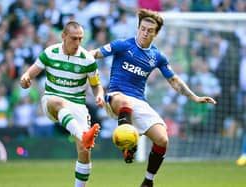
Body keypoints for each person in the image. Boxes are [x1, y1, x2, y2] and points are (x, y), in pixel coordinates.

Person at [90, 9, 216, 187]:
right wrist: (81, 59)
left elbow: (173, 79)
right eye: (143, 28)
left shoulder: (157, 56)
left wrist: (194, 97)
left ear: (156, 34)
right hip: (117, 96)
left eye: (150, 30)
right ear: (138, 28)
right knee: (124, 102)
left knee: (162, 139)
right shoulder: (123, 45)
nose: (145, 32)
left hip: (139, 101)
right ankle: (129, 144)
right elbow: (95, 53)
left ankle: (148, 181)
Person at [20, 21, 105, 187]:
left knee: (84, 150)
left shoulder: (87, 59)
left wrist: (100, 95)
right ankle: (82, 136)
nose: (78, 43)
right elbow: (30, 73)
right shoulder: (50, 53)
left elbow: (96, 85)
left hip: (77, 105)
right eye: (74, 39)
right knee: (57, 101)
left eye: (80, 39)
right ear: (63, 36)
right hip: (52, 99)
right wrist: (25, 79)